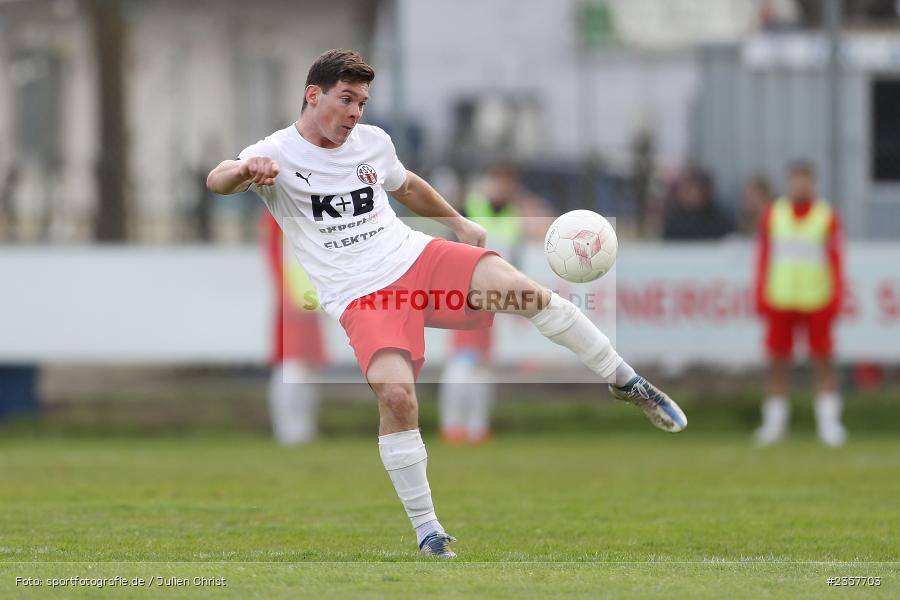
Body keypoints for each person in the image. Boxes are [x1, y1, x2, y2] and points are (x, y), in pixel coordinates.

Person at [207, 49, 687, 558]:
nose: (355, 113)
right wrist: (243, 169)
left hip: (416, 258)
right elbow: (217, 179)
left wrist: (456, 221)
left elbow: (406, 185)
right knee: (397, 400)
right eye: (346, 100)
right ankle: (429, 531)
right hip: (361, 297)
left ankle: (626, 380)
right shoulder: (276, 152)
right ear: (313, 95)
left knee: (528, 293)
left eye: (362, 103)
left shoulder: (372, 143)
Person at [439, 162, 550, 444]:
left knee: (481, 363)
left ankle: (477, 427)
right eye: (499, 180)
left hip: (493, 293)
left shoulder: (515, 214)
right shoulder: (470, 206)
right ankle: (453, 425)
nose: (503, 187)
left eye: (508, 181)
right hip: (465, 290)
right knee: (462, 361)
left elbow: (515, 258)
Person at [753, 161, 846, 447]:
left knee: (823, 362)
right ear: (788, 182)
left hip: (816, 298)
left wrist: (835, 298)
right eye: (795, 180)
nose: (799, 186)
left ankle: (829, 424)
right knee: (777, 363)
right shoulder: (774, 214)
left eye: (804, 180)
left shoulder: (825, 216)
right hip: (780, 298)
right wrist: (761, 296)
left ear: (812, 183)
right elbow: (764, 257)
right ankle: (774, 424)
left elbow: (835, 260)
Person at [261, 211, 327, 444]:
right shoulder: (280, 211)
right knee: (292, 365)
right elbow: (278, 256)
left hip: (309, 296)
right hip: (294, 297)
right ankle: (289, 431)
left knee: (308, 366)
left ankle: (303, 429)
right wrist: (287, 292)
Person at [662, 168, 734, 240]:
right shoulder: (674, 220)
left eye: (701, 188)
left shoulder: (721, 220)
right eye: (692, 189)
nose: (697, 193)